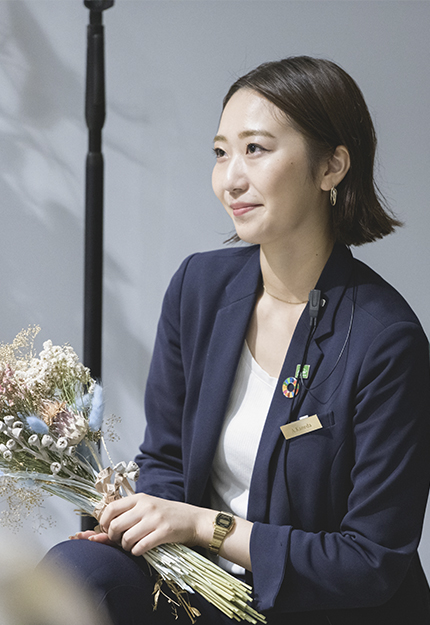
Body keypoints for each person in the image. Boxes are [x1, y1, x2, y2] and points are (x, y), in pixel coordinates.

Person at [44, 56, 430, 625]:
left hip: (320, 605)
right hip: (201, 582)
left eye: (256, 149)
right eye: (221, 152)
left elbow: (371, 561)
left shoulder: (386, 340)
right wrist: (155, 528)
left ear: (332, 167)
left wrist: (206, 526)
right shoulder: (199, 287)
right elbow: (167, 460)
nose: (231, 178)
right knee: (73, 574)